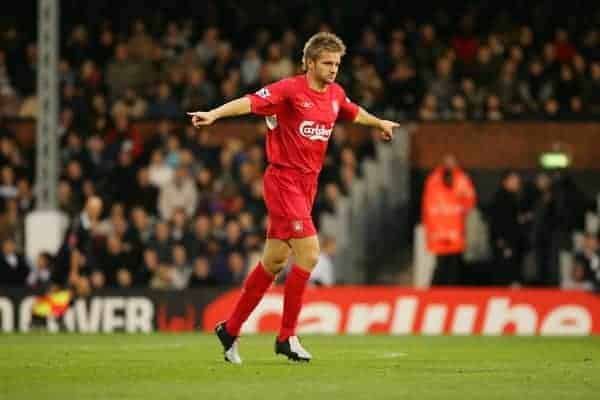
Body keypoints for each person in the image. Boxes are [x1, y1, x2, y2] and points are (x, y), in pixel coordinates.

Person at [188, 32, 398, 364]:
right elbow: (250, 101)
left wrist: (379, 123)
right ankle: (287, 336)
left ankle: (230, 329)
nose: (333, 69)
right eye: (327, 63)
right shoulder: (288, 90)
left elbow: (352, 111)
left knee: (273, 261)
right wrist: (214, 114)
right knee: (310, 253)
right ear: (310, 62)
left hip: (308, 186)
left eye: (337, 64)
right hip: (283, 180)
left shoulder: (334, 94)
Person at [422, 155, 476, 285]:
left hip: (454, 230)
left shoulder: (462, 179)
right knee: (442, 264)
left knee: (453, 264)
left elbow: (470, 201)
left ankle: (450, 293)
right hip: (440, 231)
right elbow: (428, 205)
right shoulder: (434, 180)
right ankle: (438, 294)